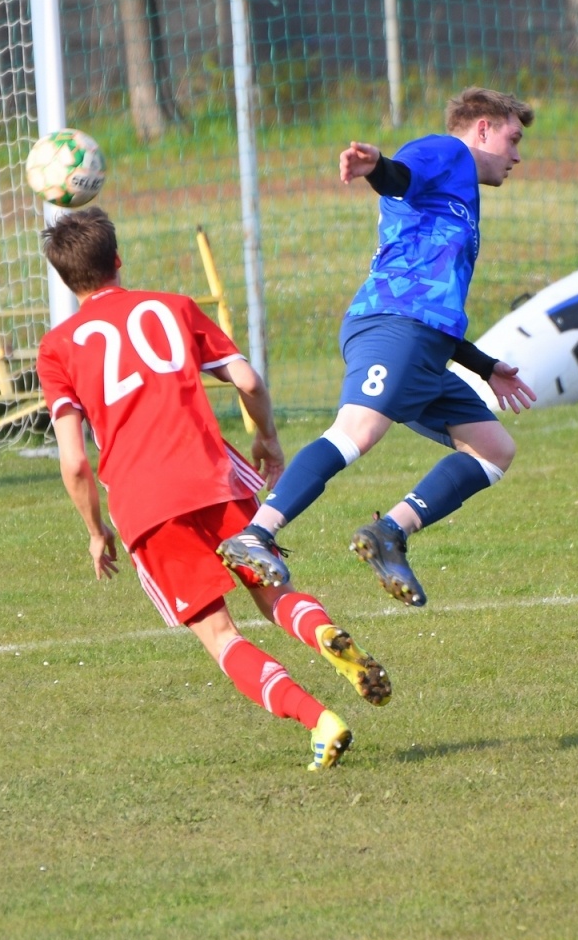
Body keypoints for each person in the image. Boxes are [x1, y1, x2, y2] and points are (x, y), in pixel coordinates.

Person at [35, 207, 390, 770]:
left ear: (65, 279)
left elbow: (75, 462)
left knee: (220, 635)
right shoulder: (175, 307)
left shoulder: (57, 349)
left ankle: (318, 720)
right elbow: (246, 379)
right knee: (272, 593)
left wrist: (96, 530)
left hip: (145, 503)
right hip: (216, 478)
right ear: (118, 259)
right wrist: (268, 440)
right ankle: (323, 632)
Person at [219, 88, 538, 608]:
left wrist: (484, 366)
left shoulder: (457, 192)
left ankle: (390, 533)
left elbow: (433, 301)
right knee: (357, 431)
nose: (517, 155)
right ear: (483, 128)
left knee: (493, 448)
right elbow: (402, 176)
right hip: (392, 327)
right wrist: (377, 167)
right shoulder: (447, 151)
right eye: (513, 138)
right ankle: (257, 532)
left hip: (425, 344)